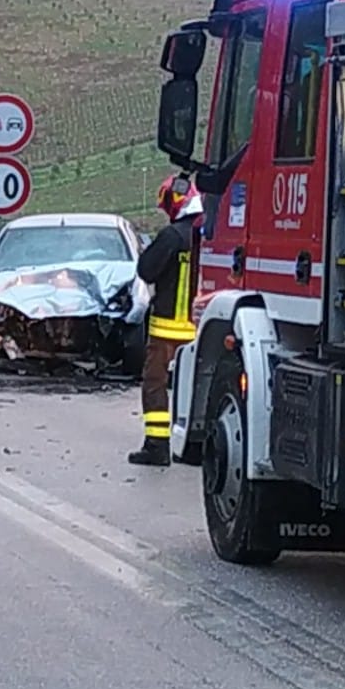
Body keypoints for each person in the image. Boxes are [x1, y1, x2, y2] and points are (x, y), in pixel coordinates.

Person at [130, 172, 205, 468]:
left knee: (155, 383)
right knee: (198, 386)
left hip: (168, 330)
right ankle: (197, 449)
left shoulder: (173, 236)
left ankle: (156, 445)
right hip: (203, 329)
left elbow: (146, 271)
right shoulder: (211, 235)